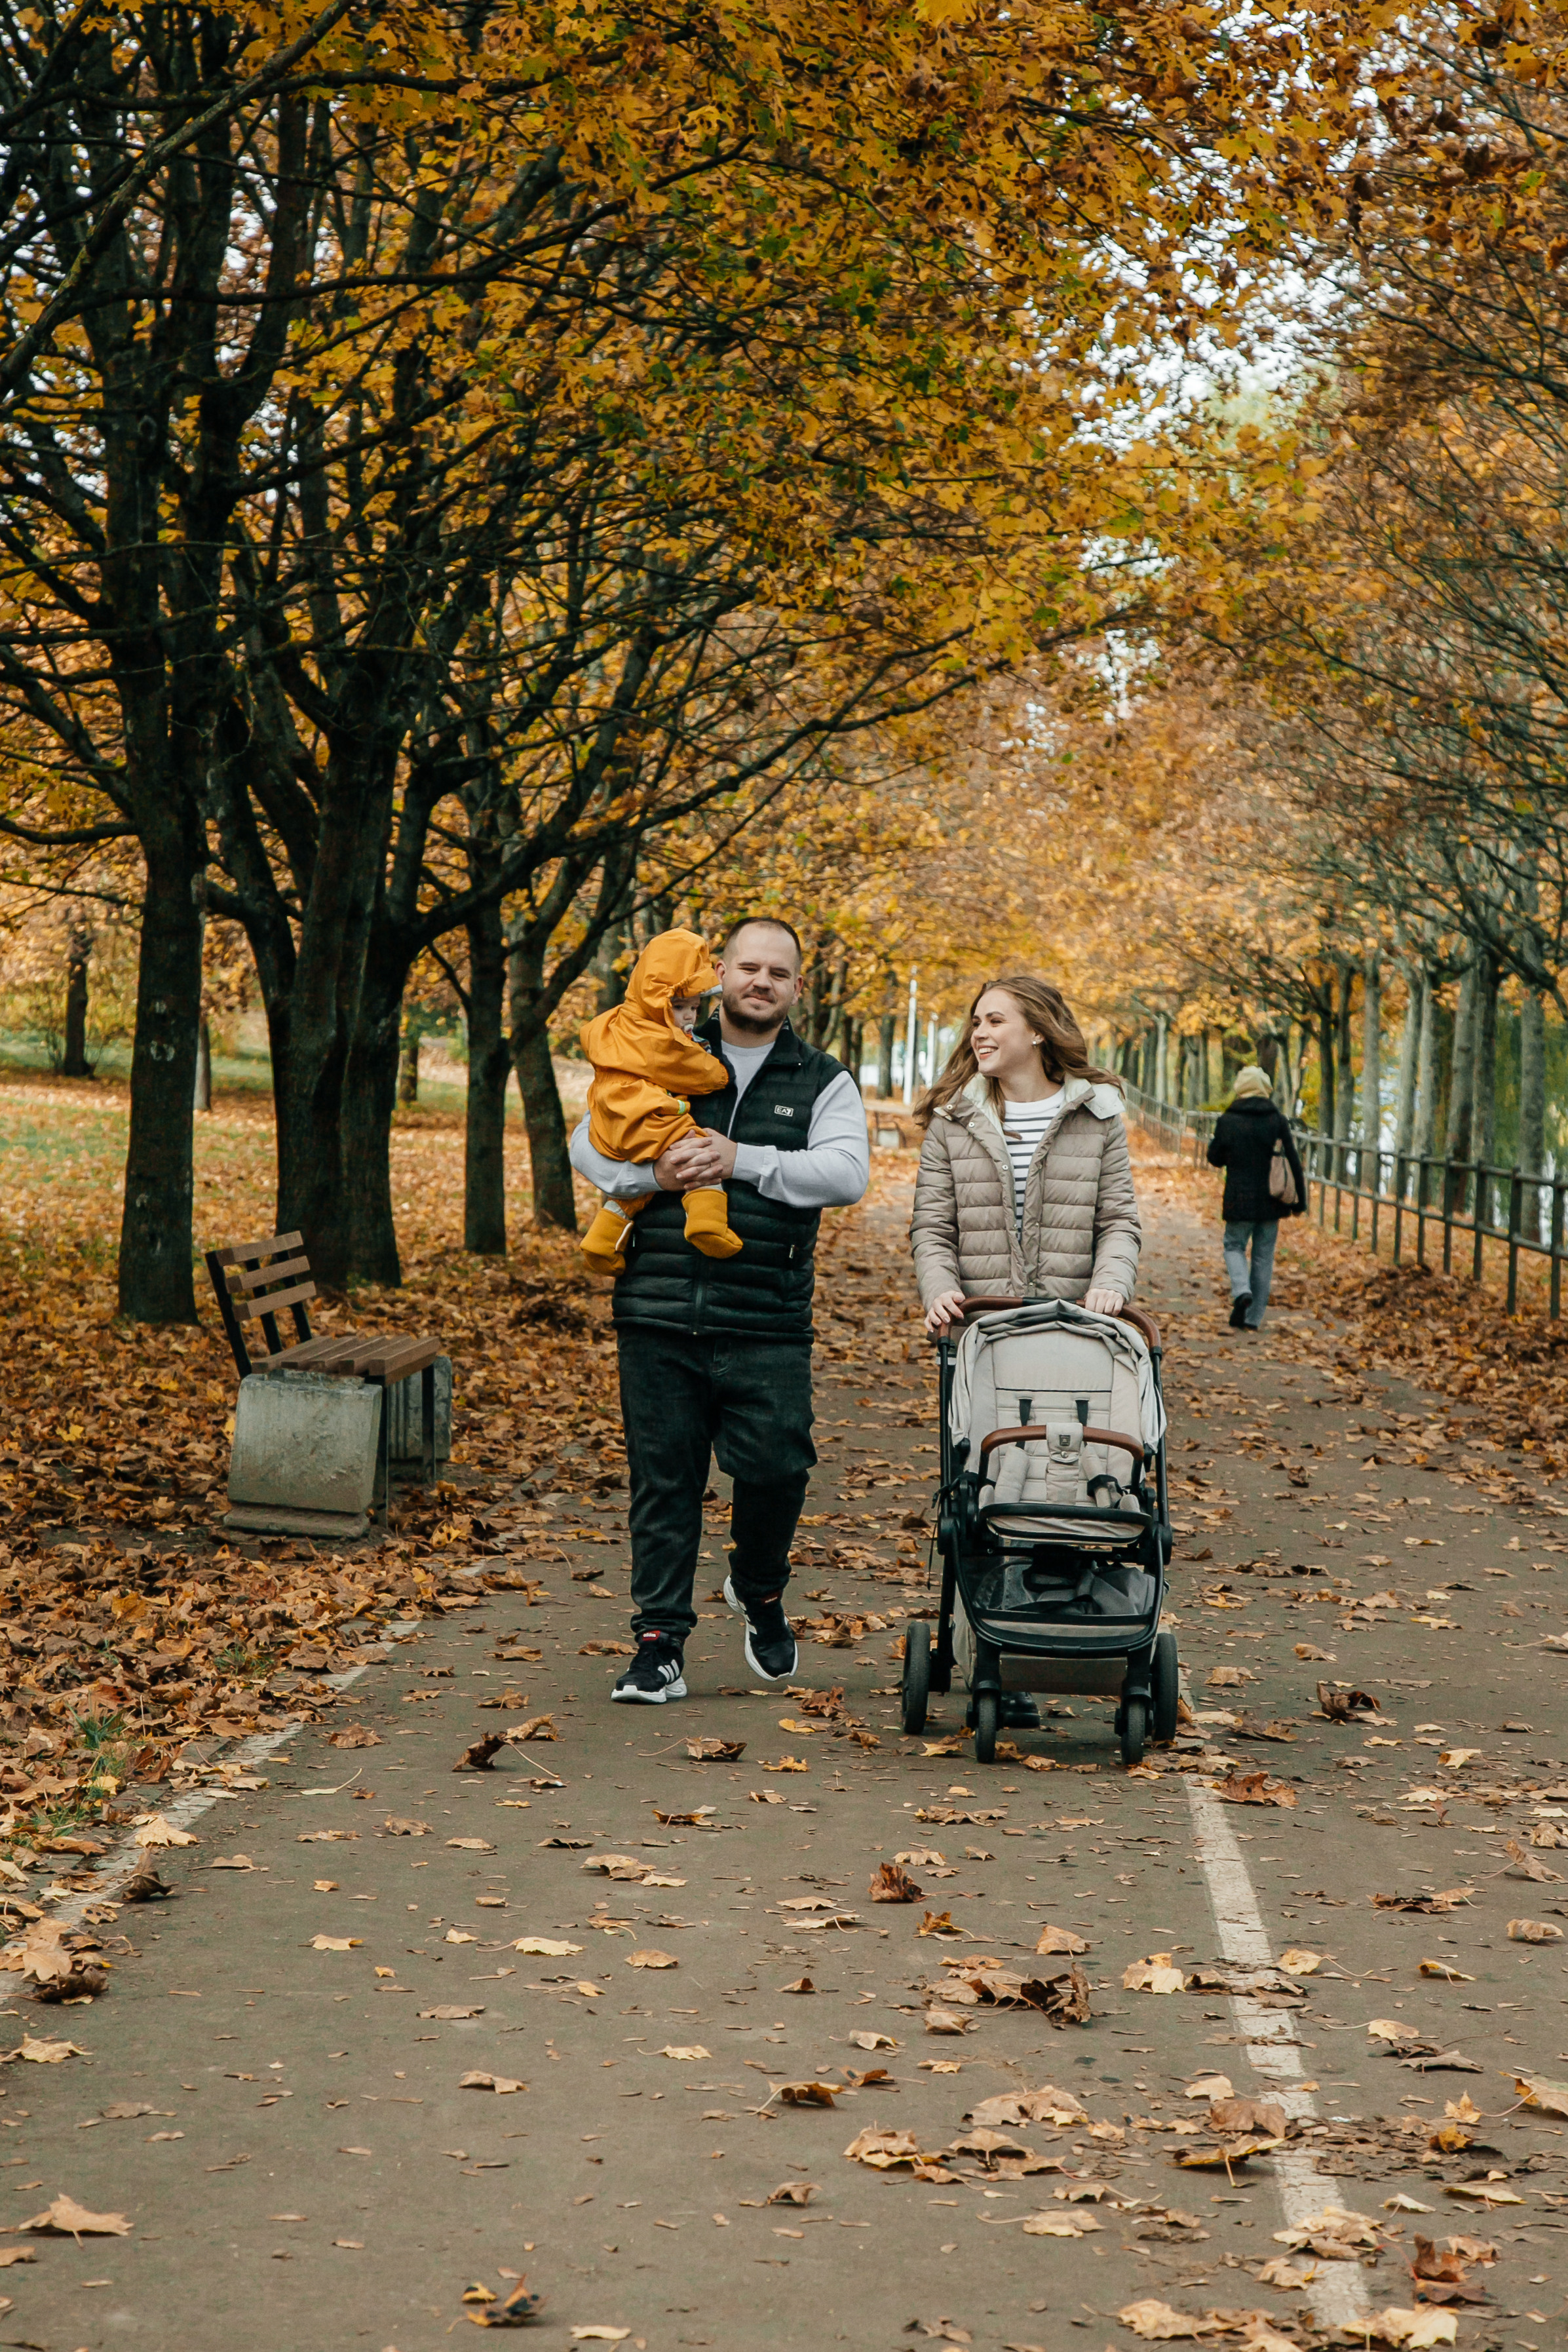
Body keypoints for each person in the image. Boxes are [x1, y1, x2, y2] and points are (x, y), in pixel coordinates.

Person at [567, 917, 871, 1703]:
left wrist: (742, 1161)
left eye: (778, 972)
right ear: (718, 974)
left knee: (776, 1469)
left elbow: (844, 1174)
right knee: (663, 1481)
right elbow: (587, 1144)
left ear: (796, 988)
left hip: (766, 1315)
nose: (760, 981)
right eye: (746, 967)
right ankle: (658, 1643)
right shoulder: (659, 1045)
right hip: (657, 1308)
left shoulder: (821, 1077)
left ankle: (758, 1587)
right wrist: (654, 1173)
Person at [908, 975, 1141, 1731]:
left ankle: (1078, 1629)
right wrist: (938, 1291)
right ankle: (998, 1653)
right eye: (974, 1020)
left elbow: (1118, 1222)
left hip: (1076, 1338)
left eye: (994, 1019)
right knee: (986, 1488)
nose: (978, 1032)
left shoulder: (1096, 1114)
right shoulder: (952, 1119)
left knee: (1070, 1478)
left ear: (1035, 1030)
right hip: (985, 1339)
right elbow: (931, 1229)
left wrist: (1109, 1285)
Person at [577, 929, 742, 1275]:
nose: (688, 1018)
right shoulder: (659, 1040)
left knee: (633, 1193)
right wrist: (719, 1070)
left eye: (695, 1008)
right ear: (657, 1001)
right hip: (644, 1111)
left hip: (610, 1116)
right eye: (679, 1007)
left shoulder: (618, 1022)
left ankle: (601, 1241)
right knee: (697, 1150)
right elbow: (699, 1074)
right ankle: (706, 1219)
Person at [1204, 1064, 1306, 1330]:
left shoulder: (1228, 1119)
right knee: (1264, 1257)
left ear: (1240, 1088)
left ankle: (1241, 1291)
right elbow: (1293, 1160)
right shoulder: (1277, 1120)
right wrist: (1300, 1201)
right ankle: (1253, 1319)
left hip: (1239, 1199)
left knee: (1233, 1246)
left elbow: (1214, 1158)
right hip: (1272, 1201)